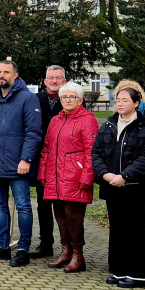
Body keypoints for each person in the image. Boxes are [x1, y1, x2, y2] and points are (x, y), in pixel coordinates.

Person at [0, 60, 42, 267]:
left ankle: (23, 250)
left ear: (15, 75)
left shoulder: (27, 98)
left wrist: (26, 159)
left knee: (23, 207)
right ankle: (2, 247)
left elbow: (33, 132)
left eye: (6, 72)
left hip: (17, 164)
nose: (1, 75)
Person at [93, 85, 145, 289]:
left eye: (125, 100)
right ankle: (119, 271)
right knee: (118, 229)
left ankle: (137, 275)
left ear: (136, 103)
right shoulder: (109, 125)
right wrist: (105, 174)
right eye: (118, 100)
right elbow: (96, 153)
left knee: (135, 230)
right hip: (112, 186)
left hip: (136, 187)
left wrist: (125, 176)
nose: (120, 104)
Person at [36, 82, 99, 273]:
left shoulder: (87, 120)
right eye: (64, 97)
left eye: (72, 97)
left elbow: (91, 151)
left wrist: (87, 177)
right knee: (60, 217)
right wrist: (43, 173)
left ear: (80, 100)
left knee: (73, 218)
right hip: (55, 177)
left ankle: (78, 255)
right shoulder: (56, 120)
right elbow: (46, 149)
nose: (68, 100)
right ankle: (66, 251)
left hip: (75, 178)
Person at [31, 65, 68, 258]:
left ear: (64, 81)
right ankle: (46, 244)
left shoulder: (71, 100)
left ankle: (68, 247)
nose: (54, 81)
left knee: (64, 206)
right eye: (51, 78)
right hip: (42, 160)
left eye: (58, 78)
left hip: (65, 161)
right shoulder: (35, 99)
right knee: (43, 204)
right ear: (45, 81)